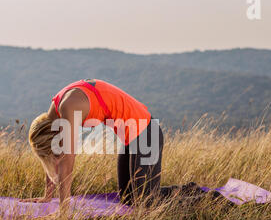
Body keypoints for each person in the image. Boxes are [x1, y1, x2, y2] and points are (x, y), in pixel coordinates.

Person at [25, 79, 181, 208]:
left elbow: (67, 158)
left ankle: (198, 197)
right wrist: (48, 196)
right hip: (131, 138)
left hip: (147, 133)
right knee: (127, 199)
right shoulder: (53, 115)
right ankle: (182, 191)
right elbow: (53, 154)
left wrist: (64, 210)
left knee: (145, 202)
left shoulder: (68, 107)